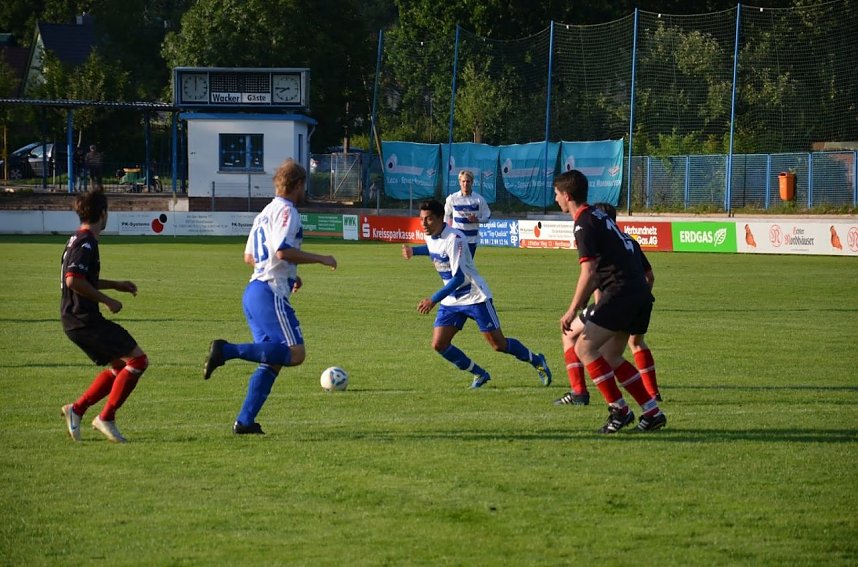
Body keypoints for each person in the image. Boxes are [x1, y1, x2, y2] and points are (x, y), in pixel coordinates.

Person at [203, 158, 337, 435]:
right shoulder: (288, 211)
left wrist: (290, 274)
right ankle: (225, 350)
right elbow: (282, 251)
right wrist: (321, 258)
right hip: (269, 292)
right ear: (297, 185)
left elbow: (249, 257)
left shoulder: (264, 213)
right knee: (296, 353)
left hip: (254, 291)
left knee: (272, 360)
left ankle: (245, 422)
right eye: (304, 186)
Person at [554, 170, 666, 433]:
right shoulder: (598, 215)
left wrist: (572, 310)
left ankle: (620, 410)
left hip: (620, 291)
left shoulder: (583, 223)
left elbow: (590, 271)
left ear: (567, 195)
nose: (555, 198)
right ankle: (652, 412)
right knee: (611, 356)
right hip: (638, 292)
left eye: (557, 194)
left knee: (584, 348)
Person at [402, 199, 551, 389]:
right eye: (422, 219)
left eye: (429, 219)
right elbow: (434, 249)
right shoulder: (431, 236)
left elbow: (458, 278)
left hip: (474, 296)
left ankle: (537, 360)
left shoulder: (454, 239)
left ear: (440, 218)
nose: (424, 223)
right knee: (439, 344)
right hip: (452, 299)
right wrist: (414, 251)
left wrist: (433, 299)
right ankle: (479, 374)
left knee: (498, 344)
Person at [60, 189, 148, 443]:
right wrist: (107, 300)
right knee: (138, 361)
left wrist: (115, 285)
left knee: (120, 366)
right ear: (103, 213)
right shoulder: (86, 242)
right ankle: (105, 417)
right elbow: (73, 280)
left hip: (75, 319)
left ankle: (77, 409)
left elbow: (83, 278)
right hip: (83, 319)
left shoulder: (77, 238)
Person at [444, 170, 491, 257]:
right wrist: (446, 232)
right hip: (456, 238)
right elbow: (446, 215)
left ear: (472, 182)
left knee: (467, 264)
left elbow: (487, 218)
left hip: (471, 240)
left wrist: (477, 220)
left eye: (468, 181)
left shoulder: (479, 199)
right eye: (463, 181)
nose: (465, 184)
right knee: (456, 263)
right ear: (459, 182)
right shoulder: (452, 198)